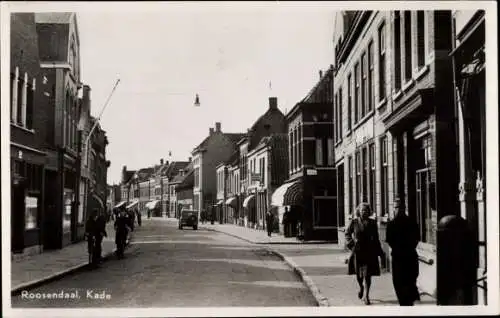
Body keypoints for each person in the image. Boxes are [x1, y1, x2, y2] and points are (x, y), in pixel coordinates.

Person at [345, 202, 385, 305]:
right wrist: (351, 244)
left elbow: (376, 239)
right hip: (357, 252)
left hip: (369, 252)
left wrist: (380, 253)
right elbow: (347, 234)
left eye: (366, 210)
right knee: (359, 275)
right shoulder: (354, 222)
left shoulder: (372, 223)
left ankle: (366, 296)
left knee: (368, 275)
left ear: (369, 212)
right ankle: (361, 287)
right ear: (359, 211)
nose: (364, 212)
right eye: (362, 210)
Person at [386, 198, 420, 306]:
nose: (398, 209)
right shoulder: (391, 224)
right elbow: (389, 240)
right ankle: (405, 303)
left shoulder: (411, 222)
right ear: (393, 209)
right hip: (398, 258)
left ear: (404, 208)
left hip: (409, 257)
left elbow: (416, 238)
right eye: (396, 207)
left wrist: (407, 248)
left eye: (400, 207)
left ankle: (407, 303)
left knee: (410, 281)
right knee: (398, 282)